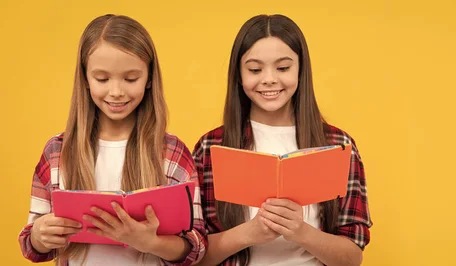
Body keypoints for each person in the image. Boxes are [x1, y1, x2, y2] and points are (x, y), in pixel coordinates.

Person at [18, 14, 207, 266]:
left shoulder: (171, 153)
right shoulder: (58, 151)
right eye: (102, 79)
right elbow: (32, 246)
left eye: (130, 79)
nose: (116, 92)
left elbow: (197, 247)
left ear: (150, 78)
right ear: (85, 78)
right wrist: (41, 235)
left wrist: (151, 243)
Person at [193, 14, 372, 266]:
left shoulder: (337, 144)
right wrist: (250, 232)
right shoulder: (211, 147)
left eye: (283, 67)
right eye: (255, 69)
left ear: (301, 70)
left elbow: (352, 258)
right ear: (239, 74)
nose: (269, 79)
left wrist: (300, 230)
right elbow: (191, 257)